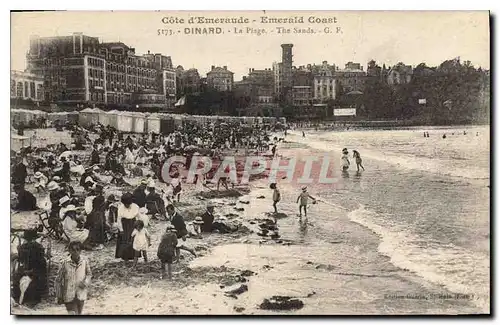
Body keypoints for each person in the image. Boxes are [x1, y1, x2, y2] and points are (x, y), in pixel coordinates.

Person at [12, 229, 47, 306]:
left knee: (18, 280)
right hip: (35, 271)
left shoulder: (21, 247)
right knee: (37, 280)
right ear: (34, 238)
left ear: (25, 239)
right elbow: (41, 263)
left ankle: (19, 297)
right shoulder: (39, 248)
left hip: (26, 270)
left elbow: (21, 260)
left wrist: (25, 271)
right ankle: (32, 298)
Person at [55, 241, 92, 315]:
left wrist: (86, 282)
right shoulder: (65, 263)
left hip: (80, 293)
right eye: (73, 250)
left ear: (80, 251)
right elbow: (58, 280)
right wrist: (59, 295)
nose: (76, 252)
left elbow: (89, 274)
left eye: (78, 249)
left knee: (79, 313)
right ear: (69, 251)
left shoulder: (84, 261)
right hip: (68, 294)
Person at [115, 193, 139, 262]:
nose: (126, 205)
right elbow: (119, 220)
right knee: (124, 241)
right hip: (124, 225)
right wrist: (121, 229)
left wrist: (138, 227)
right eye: (125, 204)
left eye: (128, 204)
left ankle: (133, 257)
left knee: (133, 240)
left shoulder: (135, 207)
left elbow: (138, 217)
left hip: (133, 224)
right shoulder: (121, 208)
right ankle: (125, 258)